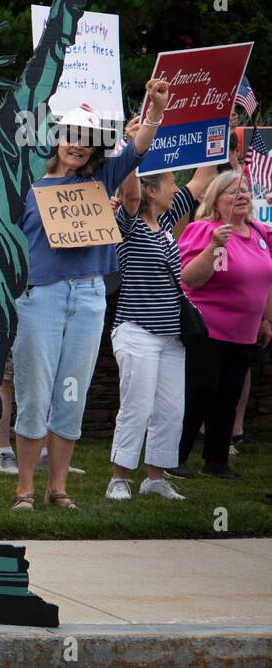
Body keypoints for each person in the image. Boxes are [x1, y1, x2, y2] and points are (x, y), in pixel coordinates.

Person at [11, 83, 170, 512]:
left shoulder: (101, 178)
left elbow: (138, 148)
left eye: (87, 138)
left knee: (71, 393)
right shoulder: (25, 184)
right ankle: (24, 489)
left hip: (90, 296)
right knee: (34, 391)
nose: (78, 145)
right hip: (39, 297)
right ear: (55, 137)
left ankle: (57, 488)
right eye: (70, 135)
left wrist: (154, 110)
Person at [106, 156, 218, 501]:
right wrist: (134, 154)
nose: (175, 187)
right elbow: (129, 197)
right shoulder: (127, 224)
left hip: (172, 335)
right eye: (169, 182)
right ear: (150, 191)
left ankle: (155, 477)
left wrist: (218, 127)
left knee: (171, 409)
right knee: (136, 406)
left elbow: (200, 182)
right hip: (136, 329)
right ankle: (119, 478)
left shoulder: (167, 220)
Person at [176, 170, 272, 479]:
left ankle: (216, 462)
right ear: (215, 201)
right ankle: (174, 457)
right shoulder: (203, 230)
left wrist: (266, 319)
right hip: (207, 329)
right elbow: (190, 279)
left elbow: (266, 281)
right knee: (199, 392)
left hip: (244, 332)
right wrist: (215, 245)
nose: (241, 195)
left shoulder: (259, 232)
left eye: (244, 190)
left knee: (228, 397)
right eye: (232, 192)